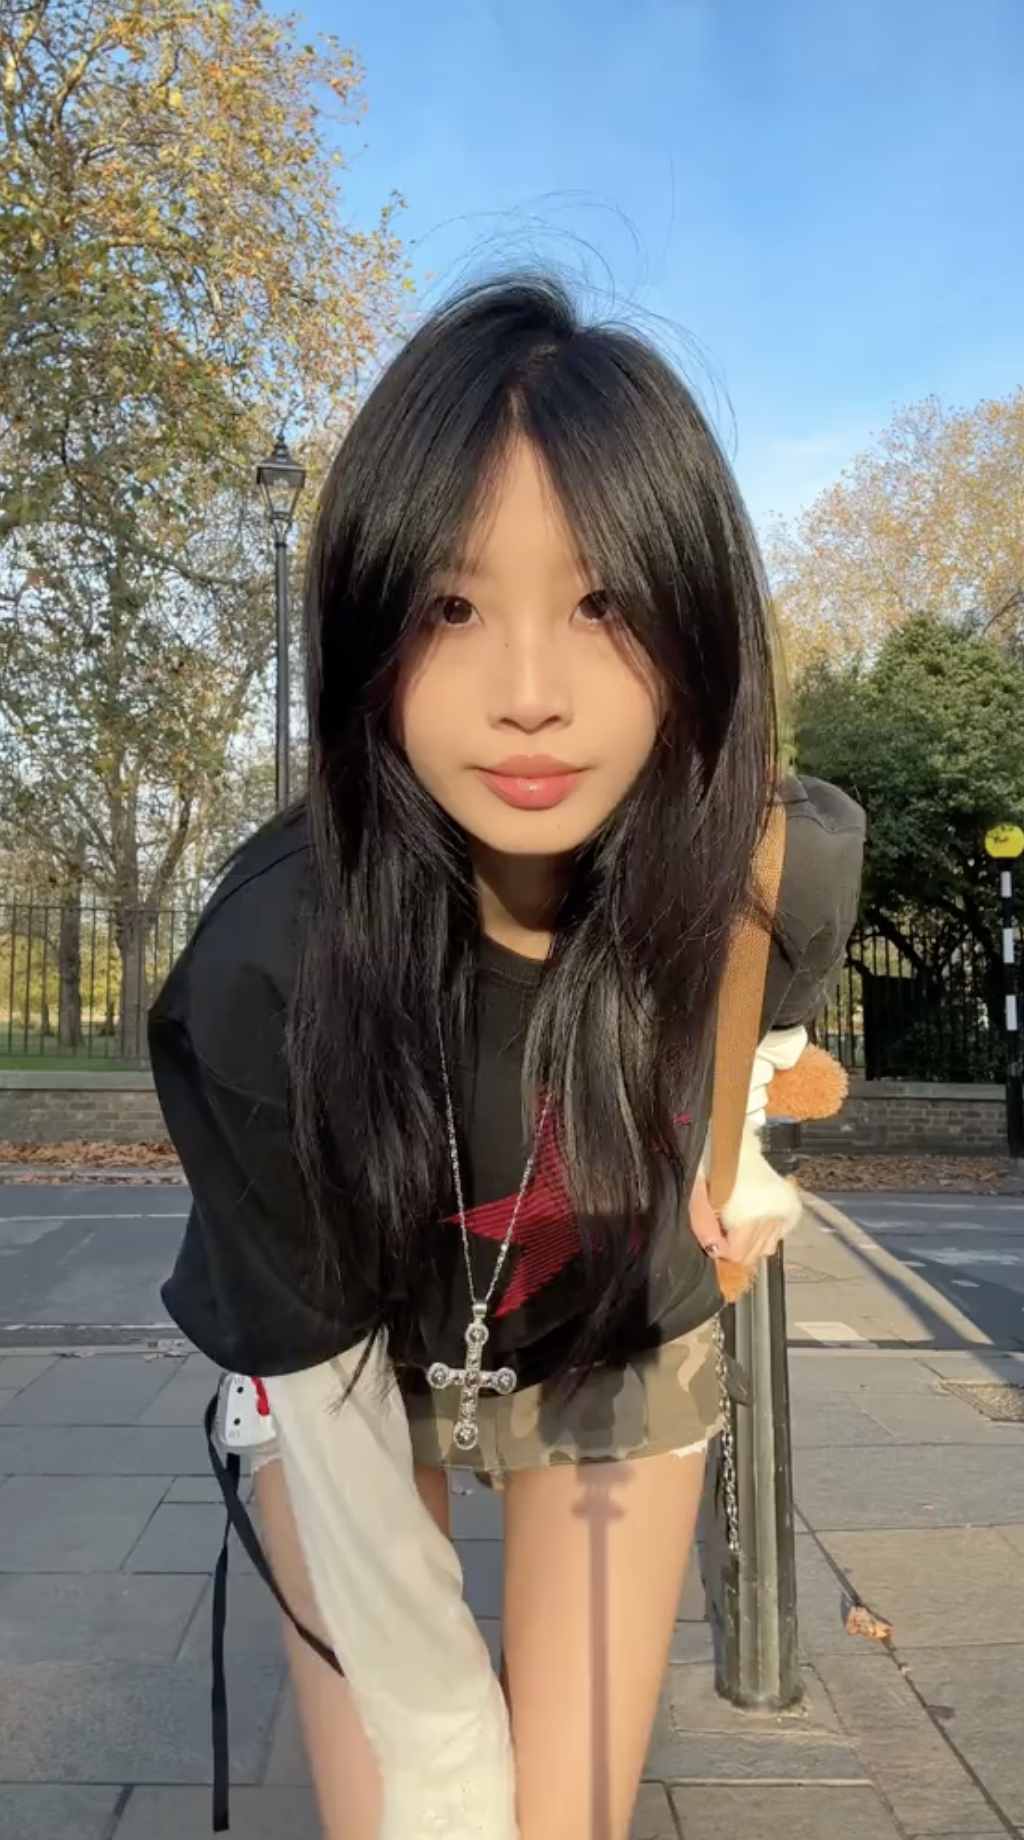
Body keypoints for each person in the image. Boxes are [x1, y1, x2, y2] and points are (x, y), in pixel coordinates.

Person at [149, 276, 864, 1840]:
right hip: (344, 1368)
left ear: (695, 622)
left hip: (615, 1332)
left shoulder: (771, 869)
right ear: (365, 632)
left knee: (566, 1820)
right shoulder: (267, 966)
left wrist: (743, 1140)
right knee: (425, 1805)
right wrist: (440, 1757)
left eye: (603, 606)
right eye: (449, 609)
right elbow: (321, 1399)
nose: (530, 694)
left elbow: (779, 1005)